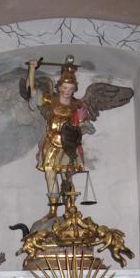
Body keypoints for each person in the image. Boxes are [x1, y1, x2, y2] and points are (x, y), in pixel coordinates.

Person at [26, 58, 93, 219]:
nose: (67, 91)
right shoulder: (50, 100)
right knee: (50, 175)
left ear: (74, 89)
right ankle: (53, 211)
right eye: (65, 87)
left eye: (70, 88)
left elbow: (86, 126)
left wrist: (76, 132)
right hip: (51, 143)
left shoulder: (77, 105)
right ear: (59, 87)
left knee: (66, 177)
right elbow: (31, 91)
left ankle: (70, 210)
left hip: (67, 145)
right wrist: (32, 69)